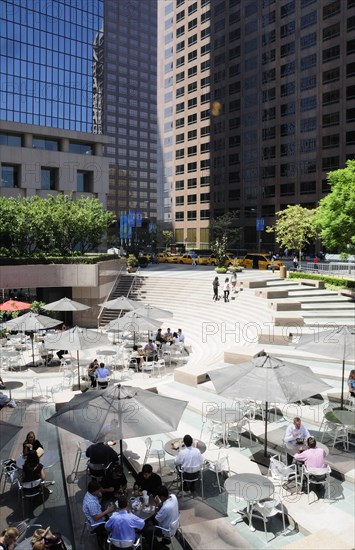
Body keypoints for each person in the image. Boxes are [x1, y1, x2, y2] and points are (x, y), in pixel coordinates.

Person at [83, 480, 115, 550]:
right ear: (94, 491)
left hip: (96, 516)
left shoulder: (89, 494)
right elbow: (95, 518)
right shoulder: (91, 503)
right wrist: (107, 511)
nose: (100, 491)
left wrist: (99, 495)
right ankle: (107, 542)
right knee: (115, 523)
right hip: (97, 524)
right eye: (98, 490)